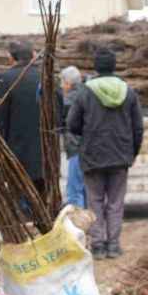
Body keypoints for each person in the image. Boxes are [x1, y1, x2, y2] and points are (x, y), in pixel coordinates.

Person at [67, 48, 144, 260]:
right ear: (114, 66)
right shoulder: (128, 91)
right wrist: (132, 153)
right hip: (120, 156)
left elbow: (72, 124)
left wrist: (87, 136)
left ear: (96, 68)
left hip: (92, 155)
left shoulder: (85, 92)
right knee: (116, 203)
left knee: (95, 202)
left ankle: (98, 246)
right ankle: (114, 246)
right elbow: (138, 128)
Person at [0, 41, 46, 192]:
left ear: (11, 58)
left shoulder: (4, 79)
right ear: (33, 56)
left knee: (18, 199)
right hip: (45, 155)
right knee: (42, 199)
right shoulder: (46, 78)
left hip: (15, 154)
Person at [60, 66, 87, 209]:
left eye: (62, 82)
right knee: (86, 190)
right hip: (89, 149)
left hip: (76, 149)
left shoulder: (68, 100)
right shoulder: (87, 94)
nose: (61, 86)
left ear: (68, 83)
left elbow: (63, 123)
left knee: (74, 191)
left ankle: (77, 226)